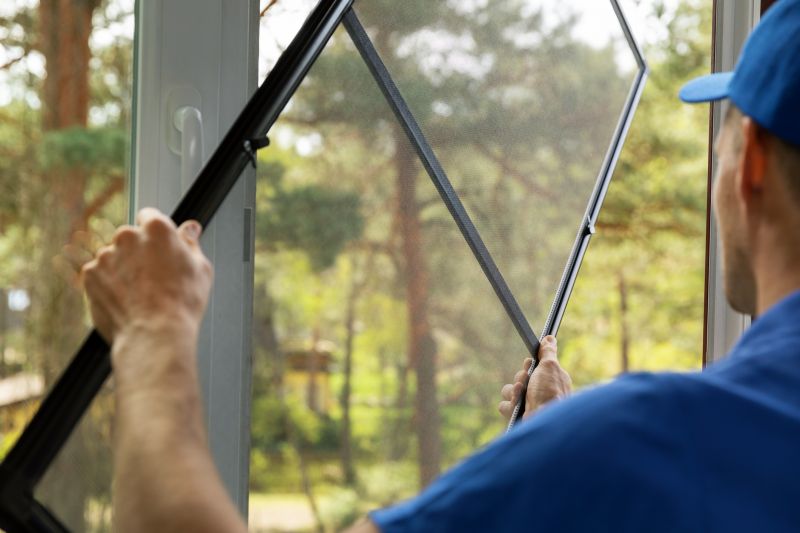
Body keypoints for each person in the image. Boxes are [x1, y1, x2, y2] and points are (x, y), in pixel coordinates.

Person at [81, 1, 800, 531]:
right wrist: (547, 456)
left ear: (753, 164)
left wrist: (153, 330)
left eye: (725, 133)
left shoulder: (656, 445)